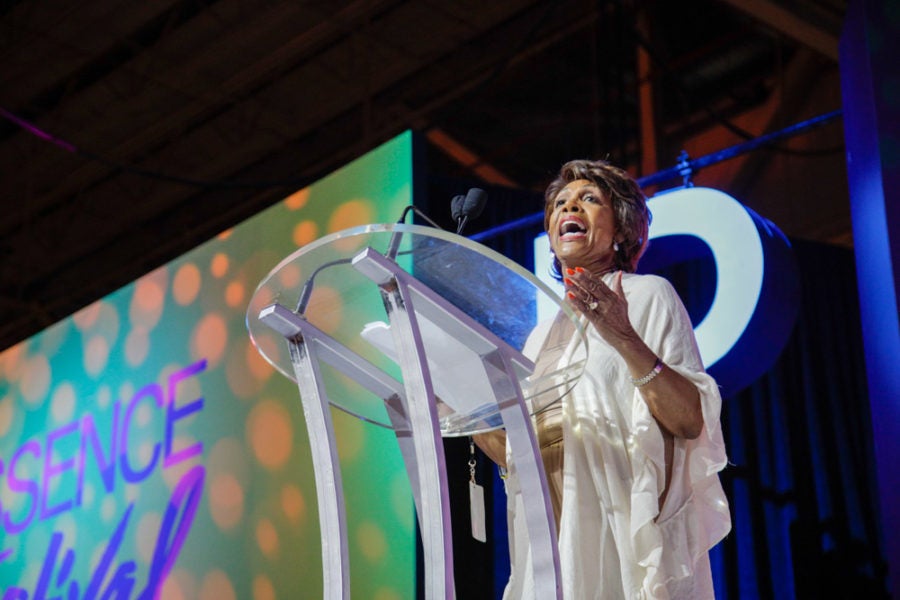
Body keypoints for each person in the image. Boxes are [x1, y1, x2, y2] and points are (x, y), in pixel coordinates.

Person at [474, 159, 731, 599]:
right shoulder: (538, 338)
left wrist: (625, 337)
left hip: (623, 537)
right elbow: (521, 454)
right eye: (560, 203)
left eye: (589, 199)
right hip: (554, 549)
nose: (569, 207)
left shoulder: (648, 295)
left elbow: (690, 419)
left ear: (621, 231)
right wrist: (460, 407)